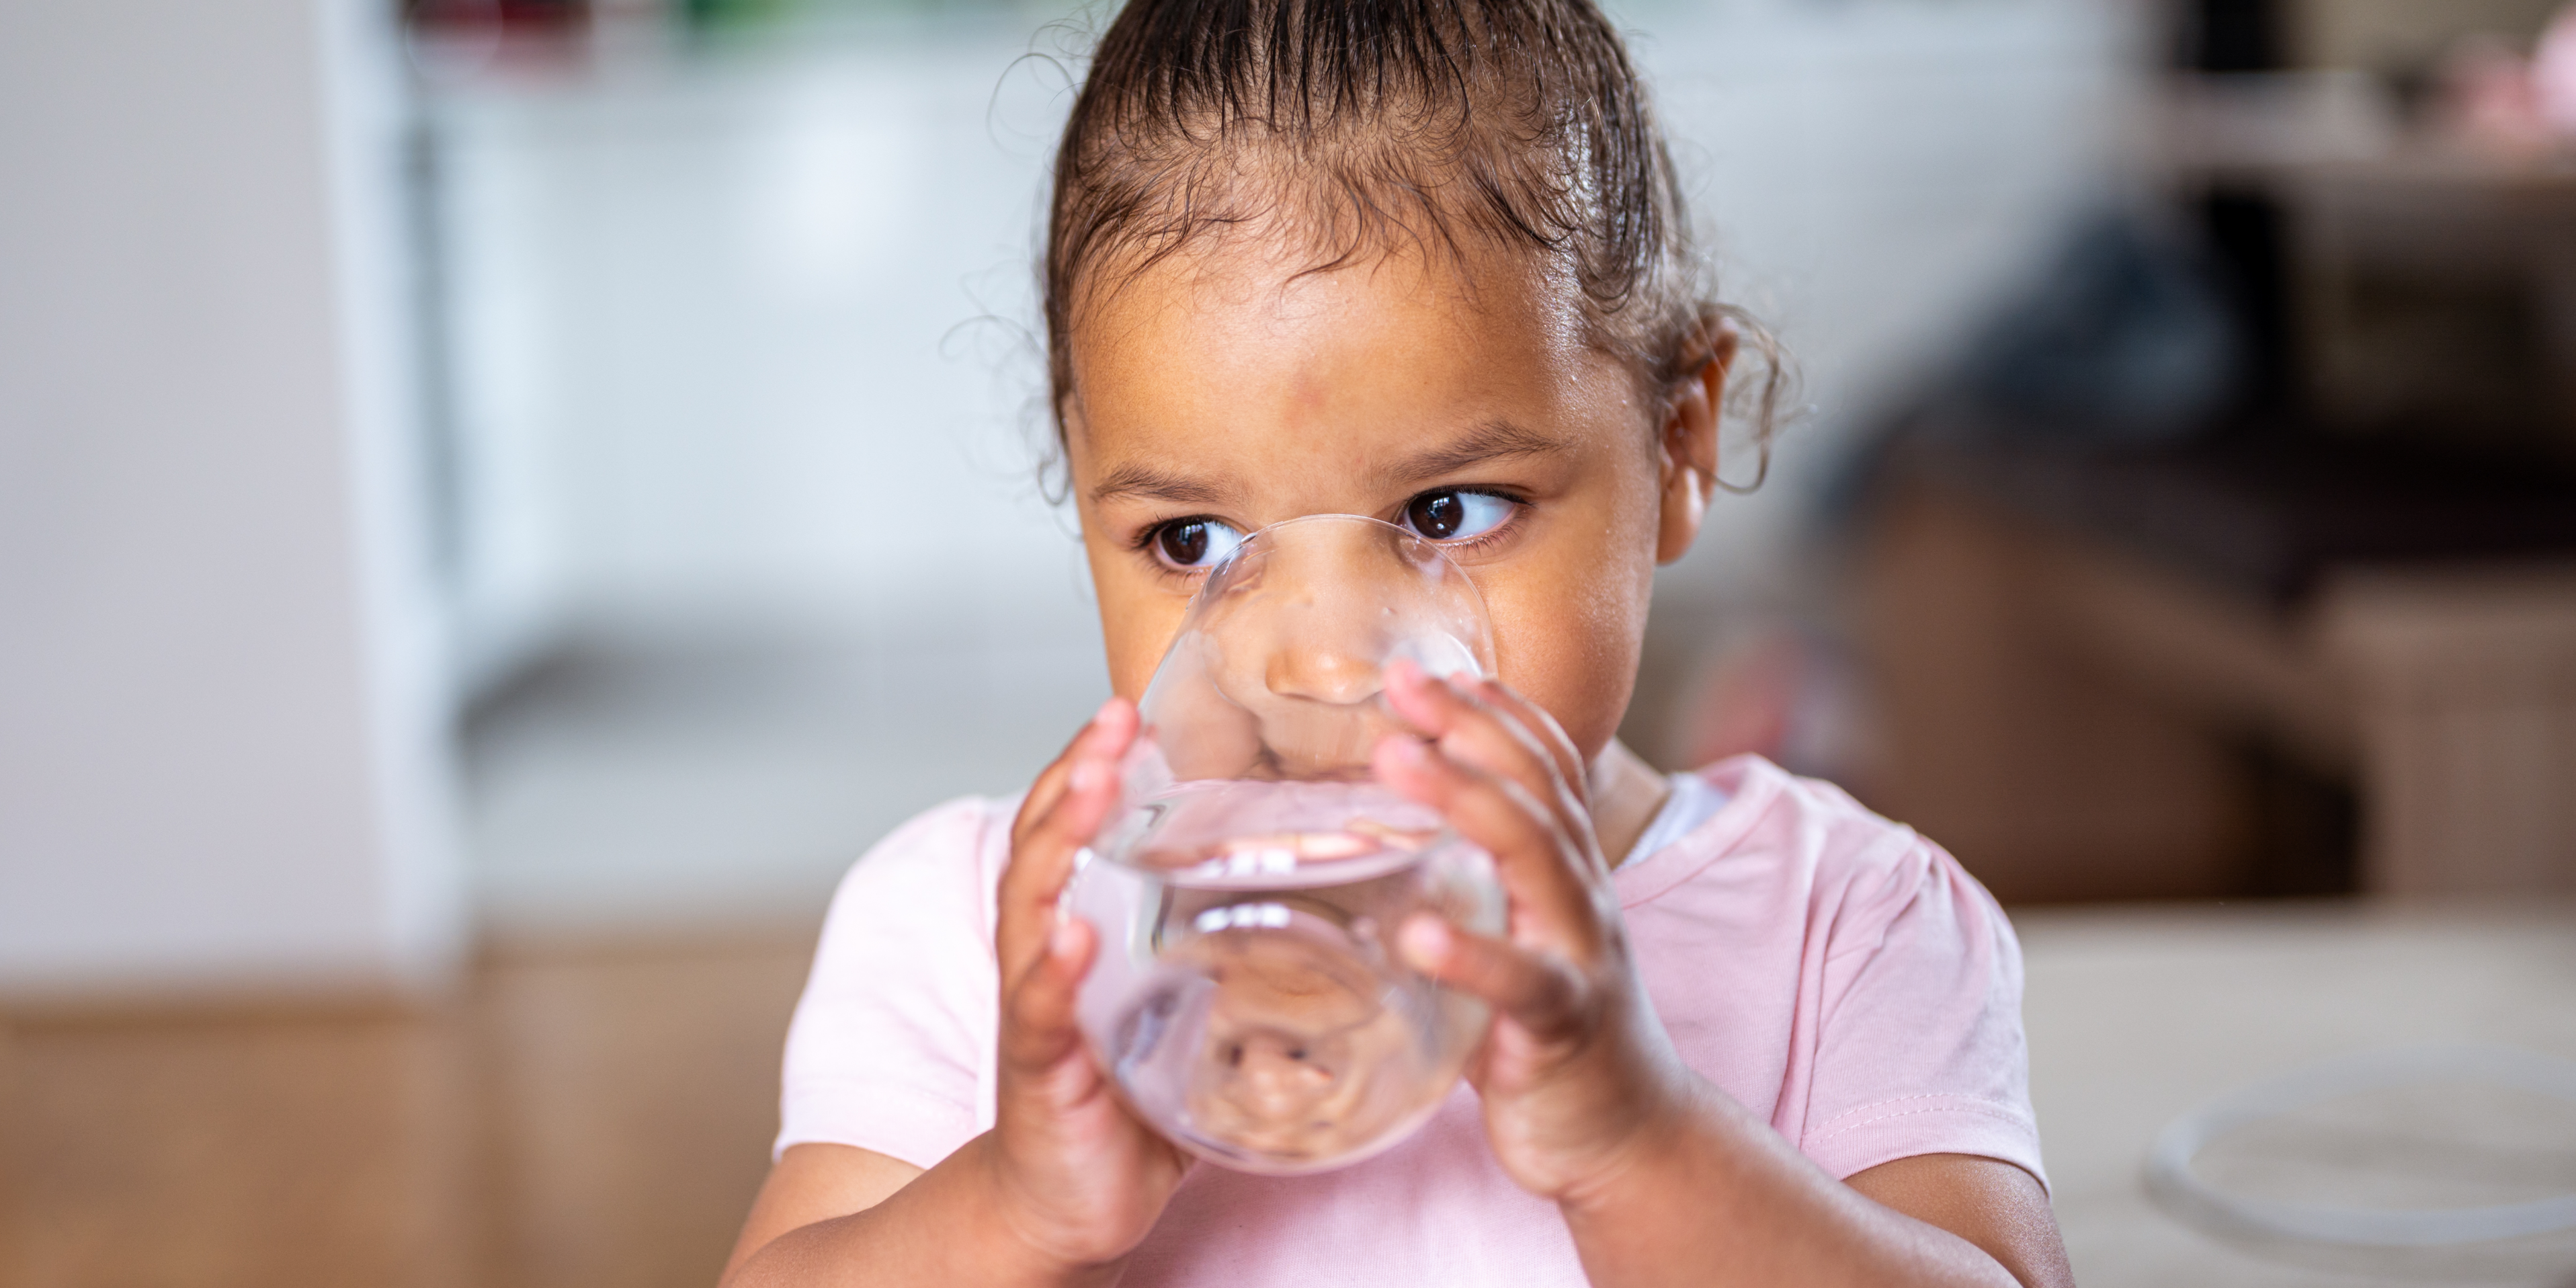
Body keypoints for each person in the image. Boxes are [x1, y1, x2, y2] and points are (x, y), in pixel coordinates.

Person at [724, 1, 2073, 1283]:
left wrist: (1637, 1138)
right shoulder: (983, 939)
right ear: (1080, 489)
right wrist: (1018, 1206)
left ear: (1676, 443)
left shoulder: (1846, 921)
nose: (1315, 664)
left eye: (1448, 511)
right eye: (1190, 539)